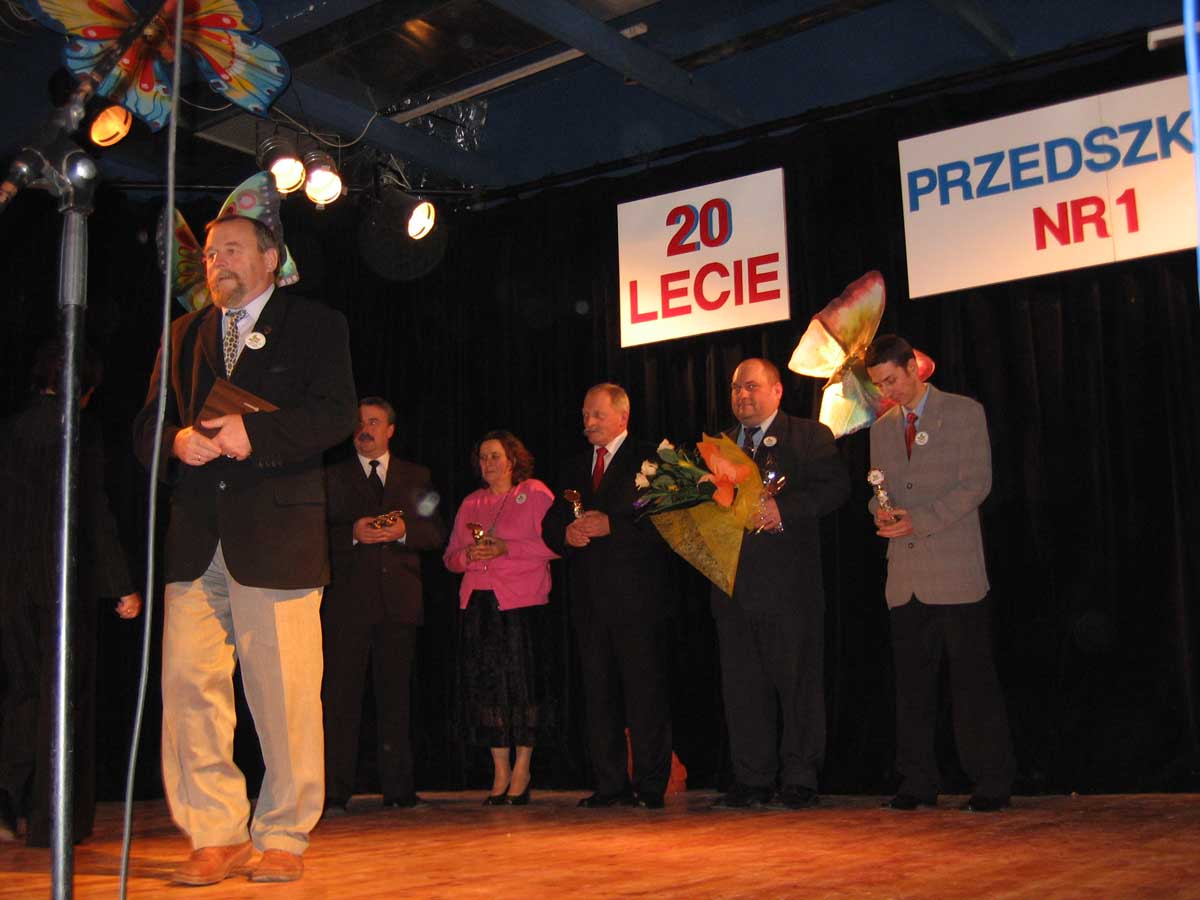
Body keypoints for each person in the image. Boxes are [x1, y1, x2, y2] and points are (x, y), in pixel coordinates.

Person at [132, 208, 356, 885]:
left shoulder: (315, 324)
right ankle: (215, 832)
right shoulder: (183, 334)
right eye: (209, 253)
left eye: (231, 249)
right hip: (196, 538)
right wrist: (175, 442)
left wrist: (253, 435)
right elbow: (145, 429)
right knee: (188, 689)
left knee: (284, 694)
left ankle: (283, 832)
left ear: (270, 259)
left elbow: (336, 415)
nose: (216, 262)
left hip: (278, 536)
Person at [865, 334, 1015, 813]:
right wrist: (879, 511)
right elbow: (880, 490)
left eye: (892, 380)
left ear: (914, 367)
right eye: (879, 385)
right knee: (912, 688)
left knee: (972, 683)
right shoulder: (881, 429)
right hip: (905, 578)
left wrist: (920, 520)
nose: (888, 391)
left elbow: (977, 484)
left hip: (955, 573)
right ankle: (917, 781)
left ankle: (990, 781)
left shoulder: (964, 412)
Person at [0, 339, 141, 846]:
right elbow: (93, 511)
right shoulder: (77, 431)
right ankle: (52, 819)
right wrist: (121, 584)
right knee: (63, 699)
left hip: (11, 585)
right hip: (60, 584)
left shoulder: (13, 428)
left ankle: (8, 801)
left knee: (23, 693)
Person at [710, 358, 848, 810]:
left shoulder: (808, 436)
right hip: (732, 590)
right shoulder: (718, 445)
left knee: (798, 686)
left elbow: (835, 489)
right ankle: (752, 778)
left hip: (791, 590)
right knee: (742, 689)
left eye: (751, 386)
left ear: (777, 390)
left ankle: (800, 777)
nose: (742, 395)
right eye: (736, 388)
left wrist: (782, 510)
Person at [542, 383, 675, 809]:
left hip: (639, 601)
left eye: (597, 414)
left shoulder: (652, 459)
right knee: (598, 698)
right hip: (589, 603)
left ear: (623, 416)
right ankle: (609, 784)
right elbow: (550, 523)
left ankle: (650, 785)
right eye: (585, 415)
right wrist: (565, 533)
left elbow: (669, 522)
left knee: (645, 695)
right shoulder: (573, 466)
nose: (589, 422)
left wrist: (613, 527)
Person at [322, 397, 445, 815]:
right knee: (340, 701)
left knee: (396, 701)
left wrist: (405, 530)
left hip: (398, 606)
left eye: (374, 422)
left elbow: (436, 531)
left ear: (390, 429)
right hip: (346, 607)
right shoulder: (331, 476)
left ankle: (399, 790)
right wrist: (351, 534)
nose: (365, 429)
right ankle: (334, 791)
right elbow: (311, 536)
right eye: (359, 422)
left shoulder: (416, 475)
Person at [443, 430, 557, 805]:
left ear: (512, 460)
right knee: (487, 690)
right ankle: (500, 770)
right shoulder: (471, 503)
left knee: (523, 688)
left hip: (522, 605)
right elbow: (450, 557)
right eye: (483, 457)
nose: (488, 463)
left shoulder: (535, 493)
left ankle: (523, 768)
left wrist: (507, 548)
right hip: (478, 605)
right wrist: (467, 557)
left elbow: (555, 543)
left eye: (495, 456)